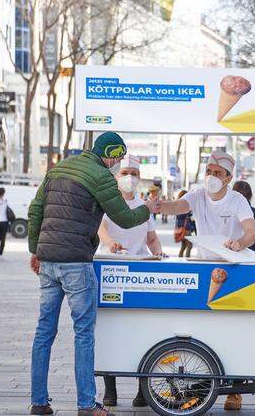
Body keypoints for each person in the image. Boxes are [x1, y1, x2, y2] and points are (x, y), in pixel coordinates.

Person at [27, 132, 158, 416]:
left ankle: (39, 402)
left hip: (48, 261)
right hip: (76, 262)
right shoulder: (101, 177)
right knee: (84, 333)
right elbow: (125, 216)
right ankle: (87, 405)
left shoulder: (59, 167)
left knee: (44, 331)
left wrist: (35, 250)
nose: (117, 164)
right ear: (110, 154)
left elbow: (35, 209)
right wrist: (147, 208)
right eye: (118, 158)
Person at [158, 151, 255, 412]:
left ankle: (235, 391)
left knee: (233, 331)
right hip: (204, 268)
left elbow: (252, 232)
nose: (211, 177)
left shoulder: (237, 200)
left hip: (233, 269)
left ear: (228, 178)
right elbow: (178, 207)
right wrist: (158, 205)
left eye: (217, 173)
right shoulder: (198, 195)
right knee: (203, 331)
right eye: (209, 172)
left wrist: (240, 243)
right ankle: (203, 387)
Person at [96, 155, 159, 408]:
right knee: (109, 332)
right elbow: (99, 228)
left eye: (134, 172)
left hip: (139, 275)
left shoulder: (143, 207)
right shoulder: (106, 203)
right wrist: (110, 242)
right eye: (125, 172)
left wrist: (158, 254)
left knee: (141, 333)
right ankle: (109, 389)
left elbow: (152, 238)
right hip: (110, 271)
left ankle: (142, 391)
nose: (129, 177)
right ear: (116, 176)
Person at [174, 190, 195, 258]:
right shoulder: (184, 205)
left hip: (181, 228)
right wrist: (189, 212)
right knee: (190, 245)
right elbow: (183, 216)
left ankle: (180, 259)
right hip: (186, 229)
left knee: (183, 246)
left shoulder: (178, 205)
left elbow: (178, 218)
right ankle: (187, 260)